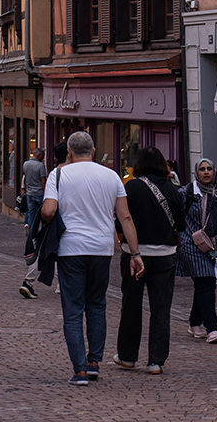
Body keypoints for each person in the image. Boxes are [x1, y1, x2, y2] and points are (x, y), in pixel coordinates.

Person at [40, 130, 144, 387]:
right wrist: (135, 253)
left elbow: (49, 211)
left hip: (71, 248)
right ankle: (94, 361)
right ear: (94, 151)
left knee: (73, 310)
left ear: (69, 153)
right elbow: (125, 216)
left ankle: (80, 371)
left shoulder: (59, 174)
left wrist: (43, 217)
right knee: (97, 304)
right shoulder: (111, 176)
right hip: (101, 248)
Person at [112, 146, 185, 374]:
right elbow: (181, 224)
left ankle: (127, 357)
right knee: (161, 309)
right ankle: (156, 360)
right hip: (165, 255)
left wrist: (124, 242)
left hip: (136, 254)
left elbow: (121, 219)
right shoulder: (173, 189)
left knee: (131, 306)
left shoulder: (132, 186)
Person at [177, 158, 217, 343]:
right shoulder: (186, 193)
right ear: (196, 173)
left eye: (209, 169)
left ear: (214, 171)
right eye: (202, 169)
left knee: (205, 284)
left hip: (216, 244)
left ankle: (194, 322)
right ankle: (212, 328)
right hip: (191, 244)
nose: (206, 172)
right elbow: (176, 217)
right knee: (205, 281)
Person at [21, 141, 67, 299]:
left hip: (48, 217)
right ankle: (62, 285)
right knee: (62, 251)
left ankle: (29, 281)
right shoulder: (61, 174)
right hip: (59, 218)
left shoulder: (54, 172)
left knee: (40, 248)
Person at [21, 149, 47, 240]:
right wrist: (45, 193)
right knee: (43, 214)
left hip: (29, 193)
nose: (43, 157)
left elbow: (25, 177)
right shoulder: (41, 166)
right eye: (43, 155)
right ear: (39, 155)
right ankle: (42, 233)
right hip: (39, 193)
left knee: (31, 214)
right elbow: (43, 181)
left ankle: (32, 236)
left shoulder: (26, 164)